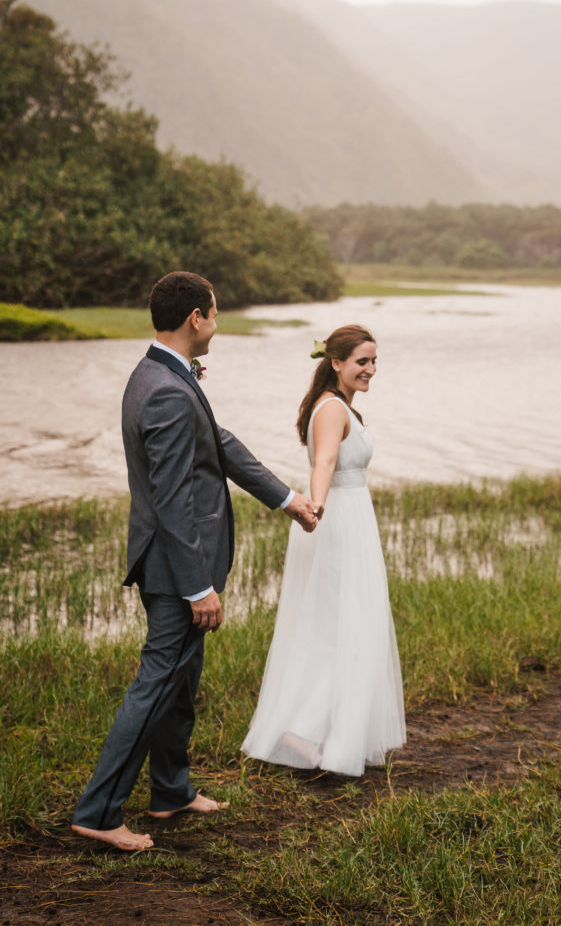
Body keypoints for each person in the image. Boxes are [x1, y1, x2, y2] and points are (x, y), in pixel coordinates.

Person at [71, 271, 317, 851]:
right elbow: (173, 499)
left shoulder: (163, 375)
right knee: (157, 682)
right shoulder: (164, 388)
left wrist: (285, 498)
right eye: (215, 312)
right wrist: (197, 587)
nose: (217, 322)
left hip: (174, 565)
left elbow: (218, 440)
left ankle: (171, 791)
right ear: (196, 319)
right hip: (176, 569)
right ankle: (99, 810)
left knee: (180, 683)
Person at [241, 325, 406, 776]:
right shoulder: (332, 408)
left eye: (374, 362)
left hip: (350, 518)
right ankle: (301, 731)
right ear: (336, 363)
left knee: (338, 624)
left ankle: (322, 728)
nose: (371, 370)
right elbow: (326, 463)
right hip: (339, 521)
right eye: (362, 362)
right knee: (341, 623)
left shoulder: (335, 405)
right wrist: (315, 509)